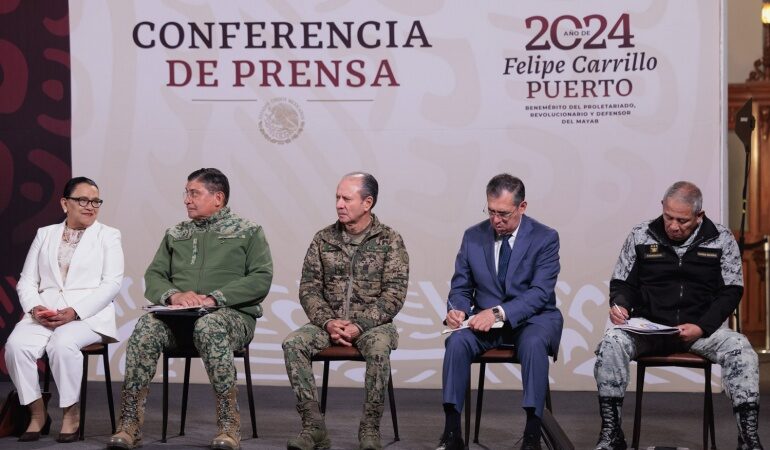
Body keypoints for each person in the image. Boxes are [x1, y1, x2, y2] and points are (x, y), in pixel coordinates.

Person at [107, 168, 273, 450]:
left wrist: (213, 298)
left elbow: (260, 278)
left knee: (210, 326)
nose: (186, 199)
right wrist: (174, 296)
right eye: (186, 193)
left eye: (193, 193)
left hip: (230, 318)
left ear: (218, 197)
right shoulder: (175, 233)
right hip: (180, 320)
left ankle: (229, 426)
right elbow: (155, 276)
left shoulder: (248, 231)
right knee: (146, 327)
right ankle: (129, 425)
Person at [593, 181, 763, 450]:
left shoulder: (721, 238)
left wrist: (702, 327)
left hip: (701, 331)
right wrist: (621, 304)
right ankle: (611, 433)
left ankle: (748, 438)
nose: (673, 226)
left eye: (682, 221)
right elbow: (623, 283)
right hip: (649, 330)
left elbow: (731, 291)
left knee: (742, 350)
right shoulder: (641, 234)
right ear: (662, 208)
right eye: (668, 217)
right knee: (611, 343)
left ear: (699, 216)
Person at [282, 172, 409, 450]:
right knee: (293, 344)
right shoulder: (323, 239)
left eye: (346, 198)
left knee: (378, 350)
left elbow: (394, 293)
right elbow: (309, 289)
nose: (339, 204)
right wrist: (328, 322)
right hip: (327, 324)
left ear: (367, 203)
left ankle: (370, 429)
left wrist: (360, 324)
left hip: (374, 325)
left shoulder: (390, 240)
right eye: (337, 197)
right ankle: (314, 427)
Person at [436, 174, 562, 450]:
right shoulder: (473, 236)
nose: (496, 220)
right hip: (484, 324)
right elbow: (460, 287)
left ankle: (532, 435)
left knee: (533, 344)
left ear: (522, 207)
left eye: (503, 213)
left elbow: (540, 294)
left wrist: (497, 313)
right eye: (491, 211)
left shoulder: (545, 238)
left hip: (531, 320)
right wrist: (456, 310)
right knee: (456, 342)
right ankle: (452, 433)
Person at [5, 177, 124, 443]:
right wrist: (34, 308)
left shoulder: (109, 235)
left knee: (62, 344)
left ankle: (71, 413)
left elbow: (112, 284)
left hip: (88, 315)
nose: (90, 206)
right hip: (45, 312)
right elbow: (27, 280)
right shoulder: (44, 234)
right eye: (82, 200)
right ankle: (37, 413)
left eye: (95, 201)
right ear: (64, 203)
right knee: (16, 346)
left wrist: (75, 311)